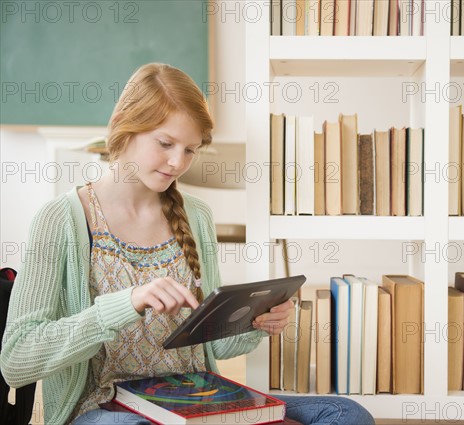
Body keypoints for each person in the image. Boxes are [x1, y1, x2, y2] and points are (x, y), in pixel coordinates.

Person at [0, 63, 375, 425]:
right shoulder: (60, 219)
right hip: (105, 408)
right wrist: (124, 305)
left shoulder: (196, 216)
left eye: (191, 149)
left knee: (346, 415)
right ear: (122, 128)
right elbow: (16, 359)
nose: (178, 162)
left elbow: (218, 348)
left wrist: (259, 320)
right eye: (165, 143)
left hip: (197, 400)